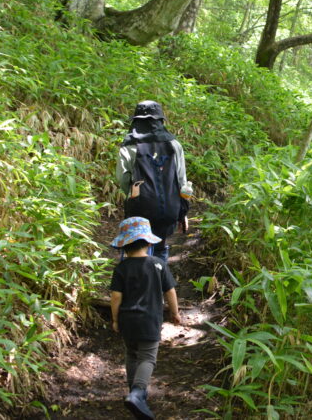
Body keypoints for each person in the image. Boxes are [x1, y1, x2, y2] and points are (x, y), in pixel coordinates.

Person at [110, 216, 182, 420]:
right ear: (149, 242)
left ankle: (134, 393)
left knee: (132, 354)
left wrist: (115, 319)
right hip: (150, 320)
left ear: (124, 246)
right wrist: (174, 313)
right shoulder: (158, 264)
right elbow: (170, 292)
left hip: (127, 320)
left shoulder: (121, 269)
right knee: (148, 357)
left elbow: (116, 296)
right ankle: (138, 393)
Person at [117, 100, 193, 262]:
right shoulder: (174, 144)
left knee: (137, 249)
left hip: (139, 207)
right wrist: (183, 212)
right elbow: (182, 181)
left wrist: (132, 196)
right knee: (160, 247)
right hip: (168, 207)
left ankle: (136, 282)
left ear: (136, 121)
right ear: (160, 120)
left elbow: (123, 178)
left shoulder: (129, 146)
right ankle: (159, 279)